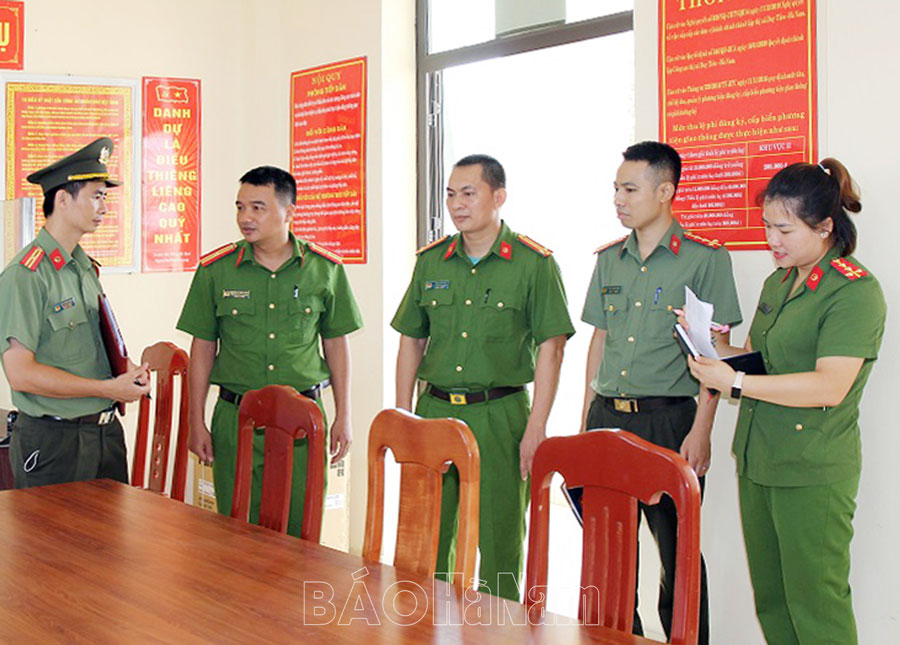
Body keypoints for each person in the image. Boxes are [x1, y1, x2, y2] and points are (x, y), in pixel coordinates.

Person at [687, 158, 885, 644]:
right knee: (773, 602)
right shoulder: (779, 281)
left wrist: (734, 382)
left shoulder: (853, 291)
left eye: (783, 229)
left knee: (816, 606)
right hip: (760, 459)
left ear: (824, 227)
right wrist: (714, 345)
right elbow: (764, 363)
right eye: (766, 226)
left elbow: (828, 385)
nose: (771, 240)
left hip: (811, 468)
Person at [391, 154, 574, 600]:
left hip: (500, 415)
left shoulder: (533, 263)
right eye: (451, 194)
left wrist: (536, 428)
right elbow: (411, 340)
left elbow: (552, 348)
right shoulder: (432, 262)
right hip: (434, 411)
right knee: (429, 533)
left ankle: (500, 627)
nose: (457, 204)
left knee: (500, 537)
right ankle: (427, 623)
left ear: (499, 196)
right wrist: (403, 415)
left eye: (469, 193)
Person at [580, 141, 742, 643]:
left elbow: (715, 354)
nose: (618, 199)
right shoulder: (610, 259)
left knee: (678, 553)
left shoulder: (704, 259)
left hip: (669, 421)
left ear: (665, 191)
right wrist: (585, 421)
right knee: (609, 556)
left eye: (630, 189)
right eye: (616, 189)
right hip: (608, 418)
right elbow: (599, 341)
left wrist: (702, 431)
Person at [177, 165, 362, 537]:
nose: (245, 217)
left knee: (300, 534)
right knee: (236, 534)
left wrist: (344, 415)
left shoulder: (324, 270)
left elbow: (336, 344)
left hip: (303, 421)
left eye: (257, 208)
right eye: (240, 207)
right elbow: (203, 347)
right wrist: (196, 421)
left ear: (289, 212)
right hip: (236, 419)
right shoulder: (216, 270)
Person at [0, 138, 151, 487]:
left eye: (105, 197)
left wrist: (127, 372)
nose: (104, 207)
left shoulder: (84, 268)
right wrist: (107, 388)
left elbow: (92, 349)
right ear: (63, 200)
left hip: (104, 436)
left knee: (114, 527)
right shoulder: (26, 275)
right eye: (96, 196)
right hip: (54, 442)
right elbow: (21, 374)